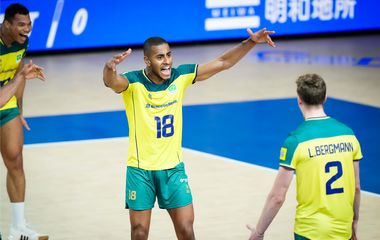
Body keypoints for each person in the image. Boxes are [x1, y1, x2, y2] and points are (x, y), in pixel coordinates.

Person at [103, 28, 275, 239]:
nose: (167, 61)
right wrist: (109, 68)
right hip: (140, 170)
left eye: (168, 55)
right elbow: (112, 82)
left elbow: (223, 62)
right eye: (160, 57)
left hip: (173, 169)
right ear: (147, 61)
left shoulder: (181, 76)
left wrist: (251, 42)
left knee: (186, 229)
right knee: (139, 232)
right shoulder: (133, 82)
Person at [247, 74, 362, 240]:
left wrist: (258, 233)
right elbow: (356, 187)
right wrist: (354, 222)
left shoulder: (296, 141)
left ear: (299, 99)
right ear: (325, 97)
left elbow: (278, 197)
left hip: (310, 231)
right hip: (342, 229)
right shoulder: (349, 135)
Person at [0, 3, 48, 240]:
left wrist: (20, 110)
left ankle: (17, 228)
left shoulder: (22, 41)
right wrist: (19, 77)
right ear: (6, 24)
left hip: (6, 102)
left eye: (29, 24)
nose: (27, 29)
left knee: (15, 161)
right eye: (21, 24)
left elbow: (20, 72)